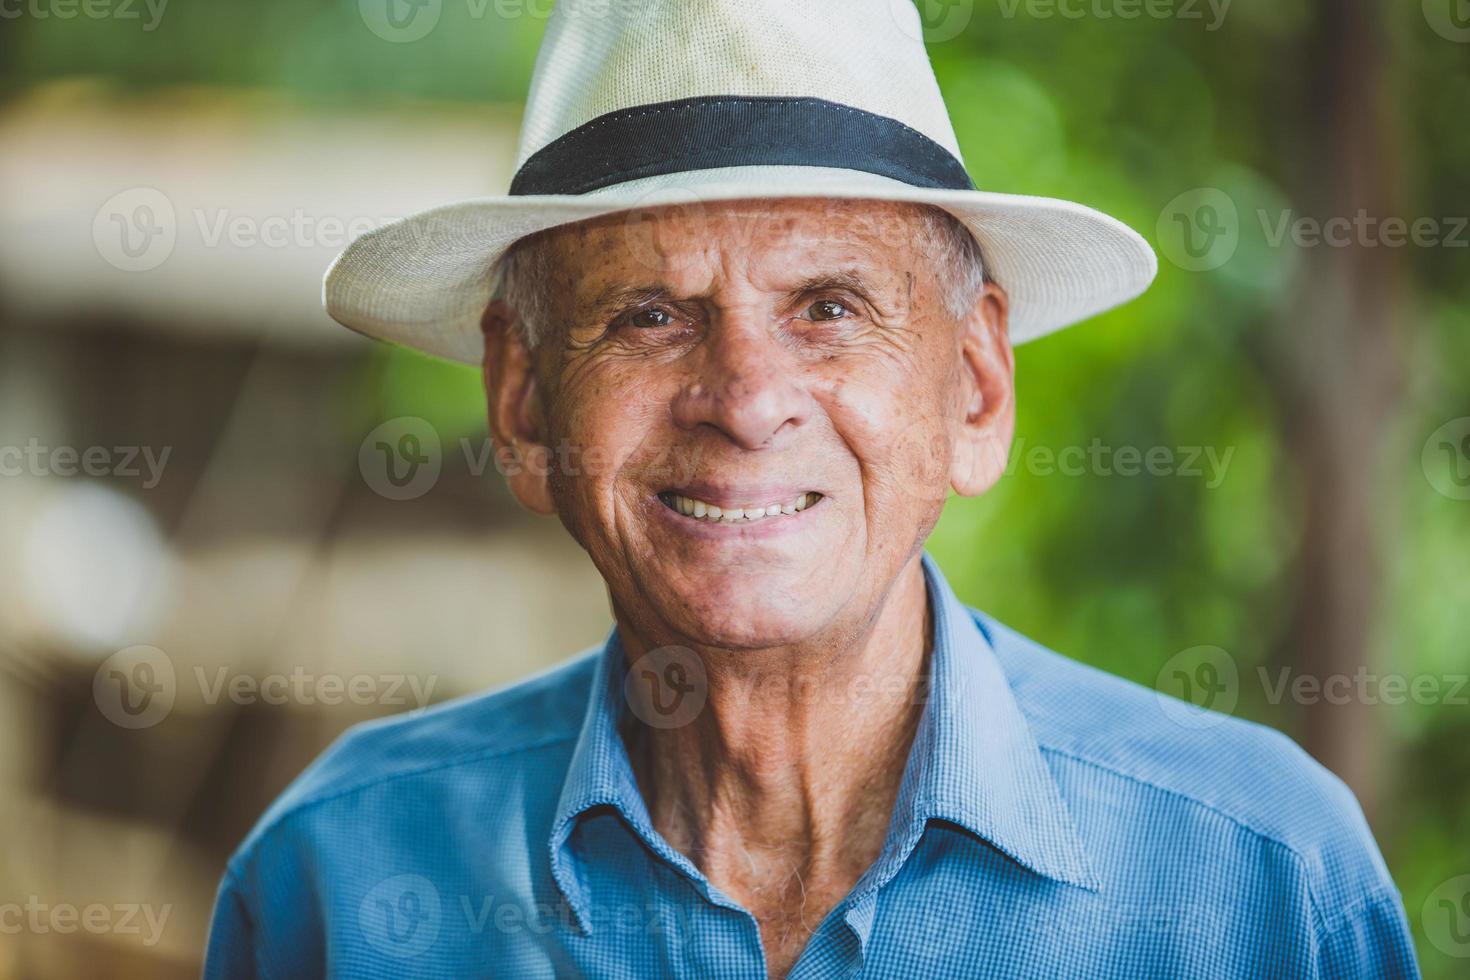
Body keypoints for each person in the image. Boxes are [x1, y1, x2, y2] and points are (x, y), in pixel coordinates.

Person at [204, 0, 1419, 976]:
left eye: (829, 309)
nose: (744, 396)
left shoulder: (1261, 881)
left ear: (976, 392)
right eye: (649, 316)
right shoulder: (341, 880)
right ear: (523, 403)